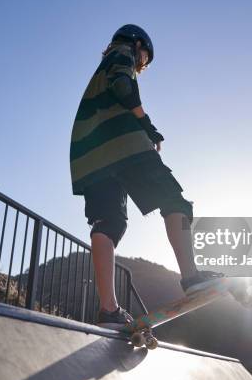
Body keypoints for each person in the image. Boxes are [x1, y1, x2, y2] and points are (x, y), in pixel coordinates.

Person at [70, 24, 223, 329]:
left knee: (108, 222)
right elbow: (123, 85)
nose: (141, 64)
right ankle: (191, 277)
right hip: (123, 145)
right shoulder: (122, 54)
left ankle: (109, 311)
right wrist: (147, 125)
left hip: (88, 156)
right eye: (144, 58)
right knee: (174, 199)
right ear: (137, 44)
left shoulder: (98, 74)